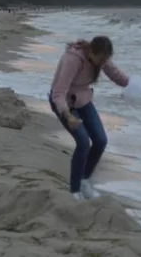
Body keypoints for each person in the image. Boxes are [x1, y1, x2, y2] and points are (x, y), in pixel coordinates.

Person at [49, 36, 130, 201]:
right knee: (83, 142)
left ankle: (84, 179)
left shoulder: (101, 59)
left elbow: (117, 75)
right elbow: (58, 93)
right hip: (64, 103)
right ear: (91, 52)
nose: (101, 64)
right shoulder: (72, 60)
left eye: (105, 60)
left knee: (101, 141)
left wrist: (135, 84)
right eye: (100, 59)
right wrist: (68, 115)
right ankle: (75, 191)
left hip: (84, 101)